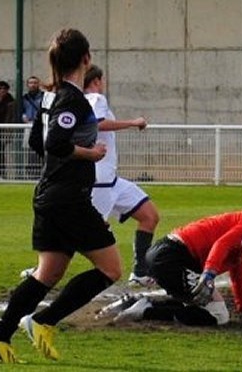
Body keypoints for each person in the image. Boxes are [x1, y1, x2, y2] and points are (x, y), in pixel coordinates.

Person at [0, 28, 120, 364]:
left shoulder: (47, 97)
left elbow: (36, 144)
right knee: (111, 269)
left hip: (49, 193)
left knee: (48, 273)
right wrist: (90, 153)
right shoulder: (73, 99)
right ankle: (44, 320)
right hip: (68, 198)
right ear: (86, 59)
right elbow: (55, 143)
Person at [111, 188, 242, 326]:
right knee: (219, 315)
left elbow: (237, 273)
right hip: (173, 258)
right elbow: (222, 244)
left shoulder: (241, 223)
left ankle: (140, 302)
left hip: (165, 253)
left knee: (197, 304)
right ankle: (146, 310)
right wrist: (208, 275)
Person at [84, 64, 159, 287]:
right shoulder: (96, 99)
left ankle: (140, 272)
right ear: (96, 81)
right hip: (100, 181)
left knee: (149, 216)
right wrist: (133, 122)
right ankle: (44, 267)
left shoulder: (81, 101)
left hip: (111, 180)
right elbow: (99, 124)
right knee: (87, 231)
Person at [21, 76, 44, 180]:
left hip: (41, 126)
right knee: (28, 148)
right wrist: (23, 117)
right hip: (28, 126)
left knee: (41, 148)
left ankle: (41, 170)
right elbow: (20, 111)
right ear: (27, 85)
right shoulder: (24, 98)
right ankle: (30, 172)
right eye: (30, 83)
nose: (33, 85)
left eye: (35, 82)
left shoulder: (43, 97)